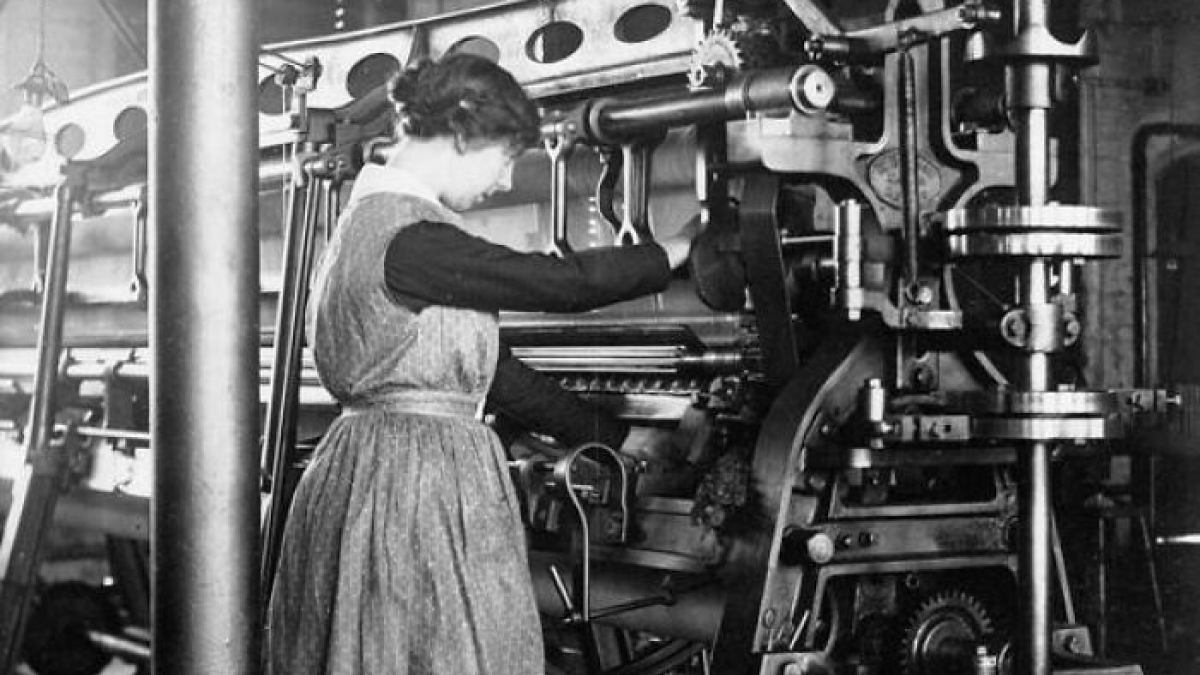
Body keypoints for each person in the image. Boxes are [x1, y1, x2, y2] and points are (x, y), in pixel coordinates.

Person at [266, 52, 695, 675]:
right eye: (502, 160)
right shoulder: (408, 235)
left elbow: (494, 373)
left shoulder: (372, 224)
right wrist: (674, 254)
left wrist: (617, 439)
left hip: (394, 473)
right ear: (463, 135)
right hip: (411, 486)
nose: (499, 183)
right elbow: (557, 285)